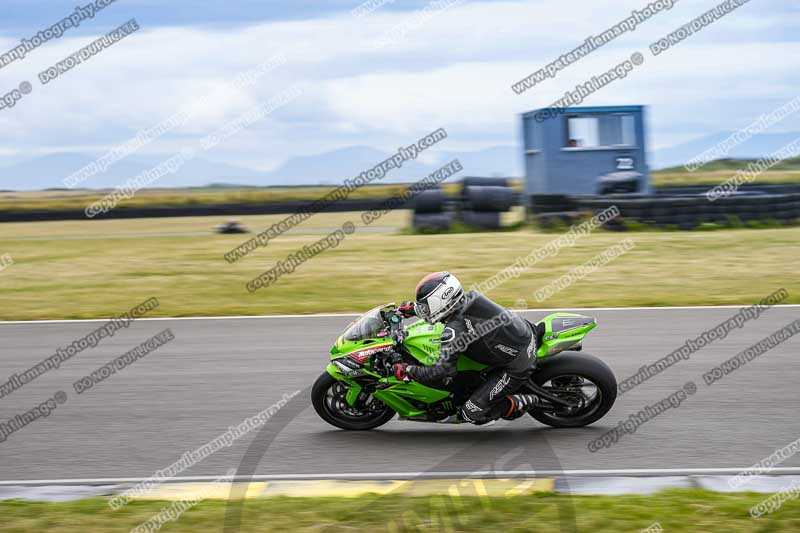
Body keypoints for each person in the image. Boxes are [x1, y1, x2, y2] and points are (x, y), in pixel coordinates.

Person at [393, 272, 540, 424]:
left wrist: (408, 370)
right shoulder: (468, 298)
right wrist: (412, 309)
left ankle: (520, 402)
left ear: (441, 302)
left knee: (471, 413)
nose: (424, 310)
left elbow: (442, 371)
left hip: (517, 364)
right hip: (523, 331)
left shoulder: (454, 330)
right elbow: (438, 309)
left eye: (426, 307)